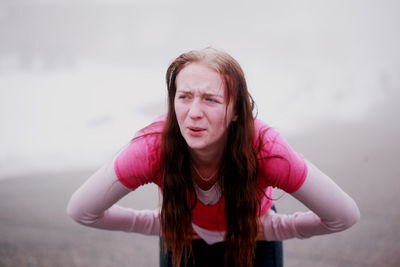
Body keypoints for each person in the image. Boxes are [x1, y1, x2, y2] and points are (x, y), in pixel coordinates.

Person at [67, 48, 360, 267]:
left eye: (210, 99)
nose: (194, 112)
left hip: (253, 237)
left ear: (235, 111)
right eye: (184, 97)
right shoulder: (152, 147)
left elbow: (343, 216)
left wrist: (273, 228)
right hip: (181, 238)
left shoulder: (266, 150)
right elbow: (82, 210)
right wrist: (169, 224)